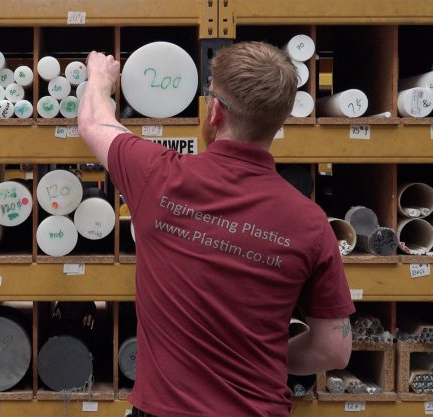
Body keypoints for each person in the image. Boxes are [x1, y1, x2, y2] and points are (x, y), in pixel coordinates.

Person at [77, 42, 354, 417]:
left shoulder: (159, 176)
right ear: (281, 120)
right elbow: (334, 350)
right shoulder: (311, 223)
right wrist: (259, 357)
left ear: (215, 111)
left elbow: (93, 123)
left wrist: (99, 77)